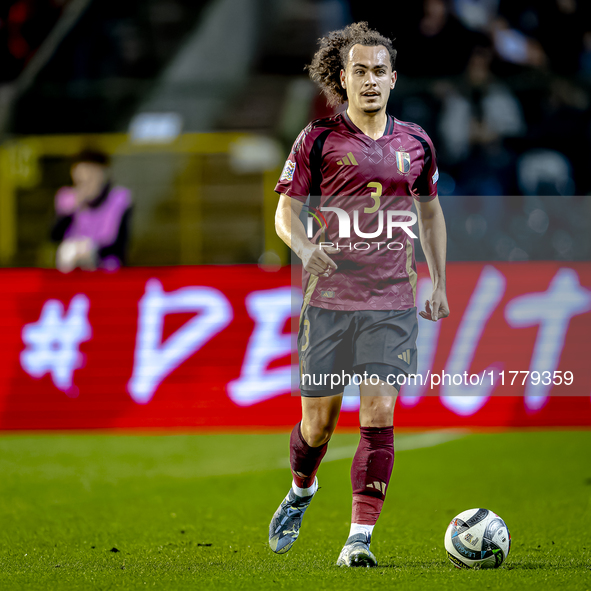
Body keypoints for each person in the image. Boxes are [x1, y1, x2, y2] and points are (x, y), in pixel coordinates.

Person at [269, 22, 449, 567]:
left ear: (393, 79)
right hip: (328, 302)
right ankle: (302, 488)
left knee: (378, 412)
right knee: (317, 425)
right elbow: (284, 215)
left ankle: (358, 540)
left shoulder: (415, 142)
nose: (370, 81)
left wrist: (439, 279)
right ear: (342, 79)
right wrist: (305, 248)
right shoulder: (318, 140)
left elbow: (431, 212)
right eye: (360, 72)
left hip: (390, 301)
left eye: (379, 72)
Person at [51, 149, 132, 272]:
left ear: (104, 174)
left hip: (107, 269)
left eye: (91, 174)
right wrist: (73, 206)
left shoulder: (120, 199)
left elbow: (120, 245)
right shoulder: (67, 199)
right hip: (73, 271)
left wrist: (91, 250)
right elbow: (54, 236)